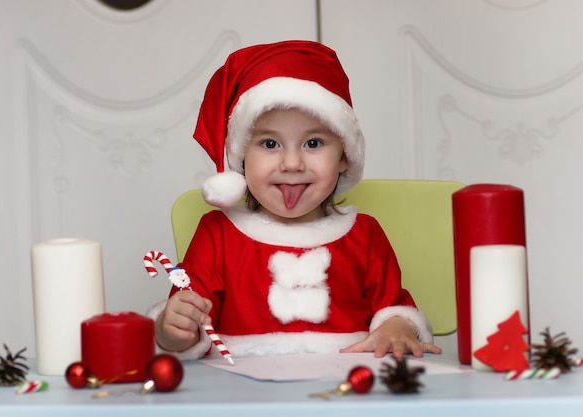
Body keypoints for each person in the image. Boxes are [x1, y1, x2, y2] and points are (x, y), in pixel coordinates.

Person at [147, 40, 442, 360]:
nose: (291, 163)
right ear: (241, 156)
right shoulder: (217, 233)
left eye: (313, 142)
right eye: (270, 143)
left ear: (344, 155)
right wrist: (172, 329)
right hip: (243, 393)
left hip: (346, 390)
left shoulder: (364, 233)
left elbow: (394, 310)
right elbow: (185, 330)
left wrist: (396, 328)